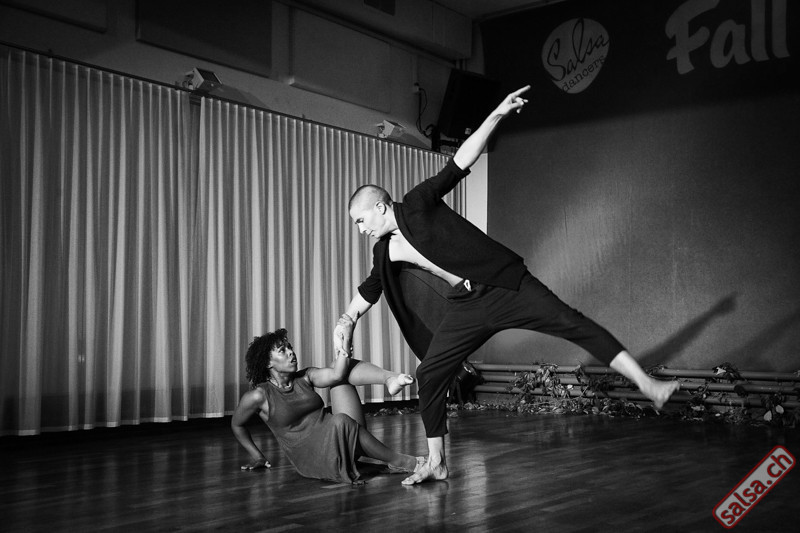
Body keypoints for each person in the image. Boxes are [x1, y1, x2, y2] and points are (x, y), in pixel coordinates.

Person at [334, 85, 681, 485]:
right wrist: (346, 321)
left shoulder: (416, 204)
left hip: (502, 285)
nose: (360, 229)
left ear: (380, 207)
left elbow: (459, 163)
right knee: (429, 375)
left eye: (361, 221)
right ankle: (437, 462)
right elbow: (370, 290)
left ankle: (647, 384)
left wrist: (496, 114)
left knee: (573, 323)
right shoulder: (384, 251)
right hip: (466, 305)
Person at [231, 328, 424, 484]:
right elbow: (237, 424)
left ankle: (390, 378)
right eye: (282, 350)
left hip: (337, 436)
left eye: (290, 347)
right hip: (312, 458)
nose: (291, 352)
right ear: (267, 363)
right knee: (340, 421)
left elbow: (337, 374)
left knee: (338, 370)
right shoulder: (259, 395)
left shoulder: (305, 376)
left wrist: (344, 343)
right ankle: (403, 461)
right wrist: (257, 456)